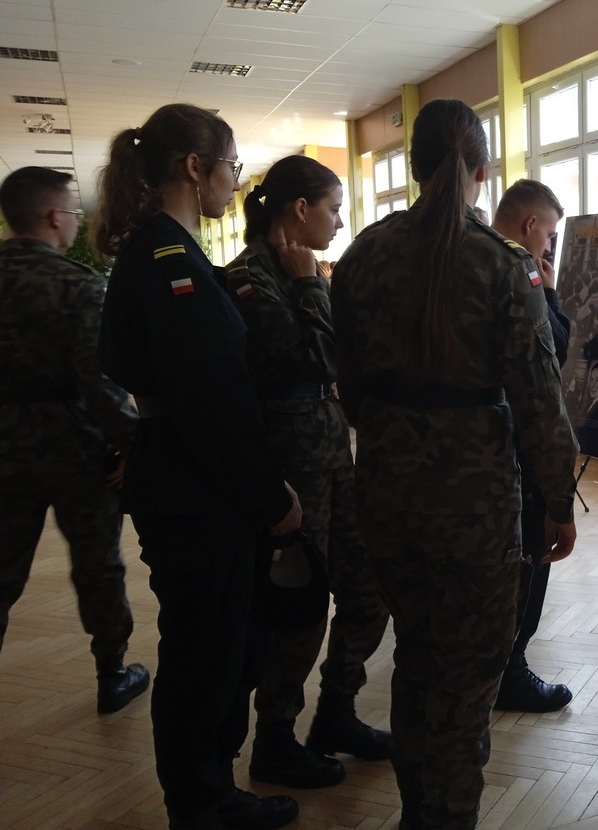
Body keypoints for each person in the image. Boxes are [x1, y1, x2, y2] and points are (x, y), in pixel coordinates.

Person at [332, 99, 580, 830]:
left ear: (414, 166)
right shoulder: (503, 266)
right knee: (468, 678)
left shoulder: (363, 257)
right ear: (481, 170)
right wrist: (558, 501)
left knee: (416, 656)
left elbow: (348, 385)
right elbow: (540, 404)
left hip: (385, 495)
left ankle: (419, 812)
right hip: (474, 510)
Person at [93, 103, 303, 830]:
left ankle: (210, 792)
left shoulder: (163, 253)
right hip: (198, 489)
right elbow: (214, 408)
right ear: (194, 167)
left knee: (216, 648)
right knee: (204, 657)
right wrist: (270, 496)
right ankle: (202, 804)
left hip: (186, 477)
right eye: (232, 167)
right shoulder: (168, 261)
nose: (235, 182)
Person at [226, 154, 391, 789]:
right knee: (300, 607)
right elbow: (323, 358)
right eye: (333, 209)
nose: (340, 222)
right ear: (300, 209)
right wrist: (308, 286)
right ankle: (275, 740)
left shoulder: (302, 274)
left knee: (368, 588)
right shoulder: (250, 278)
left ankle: (336, 713)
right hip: (291, 471)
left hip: (332, 459)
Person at [0, 167, 149, 714]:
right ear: (52, 217)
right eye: (72, 212)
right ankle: (112, 672)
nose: (76, 222)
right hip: (76, 452)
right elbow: (99, 383)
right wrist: (134, 447)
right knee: (98, 565)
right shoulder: (78, 285)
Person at [488, 179, 574, 713]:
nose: (548, 245)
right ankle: (510, 670)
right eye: (549, 234)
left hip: (457, 453)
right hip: (515, 446)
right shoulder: (518, 269)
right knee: (526, 560)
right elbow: (555, 349)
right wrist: (551, 290)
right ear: (530, 226)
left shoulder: (459, 256)